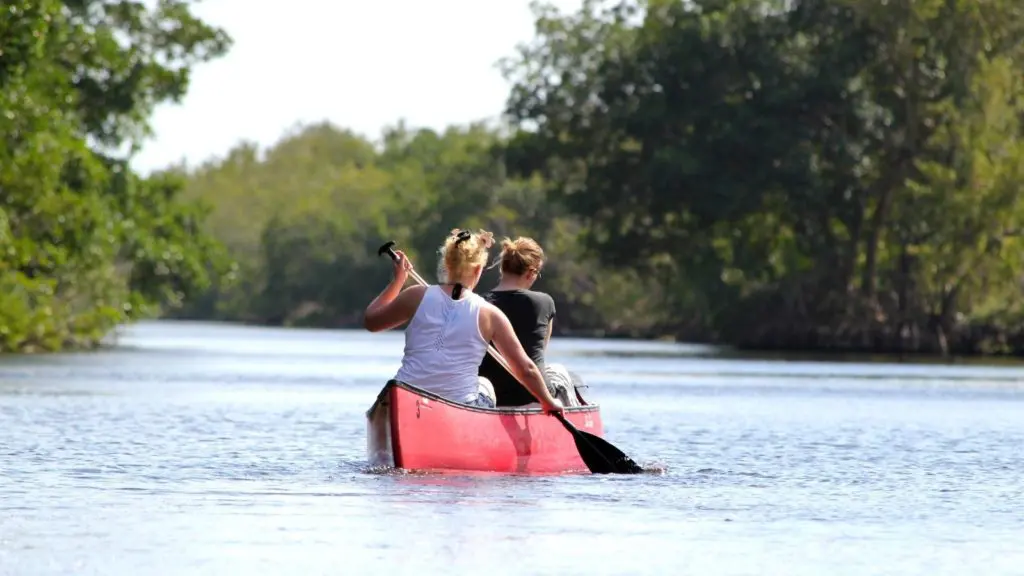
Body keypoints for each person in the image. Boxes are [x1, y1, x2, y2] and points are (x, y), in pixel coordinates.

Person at [362, 228, 563, 414]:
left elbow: (371, 321)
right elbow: (525, 369)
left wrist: (398, 281)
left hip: (405, 397)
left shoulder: (415, 295)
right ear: (478, 270)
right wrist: (548, 401)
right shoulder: (490, 314)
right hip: (458, 406)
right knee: (484, 384)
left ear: (447, 264)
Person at [477, 236, 582, 408]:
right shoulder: (544, 302)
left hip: (494, 394)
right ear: (530, 273)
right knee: (559, 371)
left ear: (502, 268)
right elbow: (540, 351)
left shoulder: (479, 303)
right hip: (533, 394)